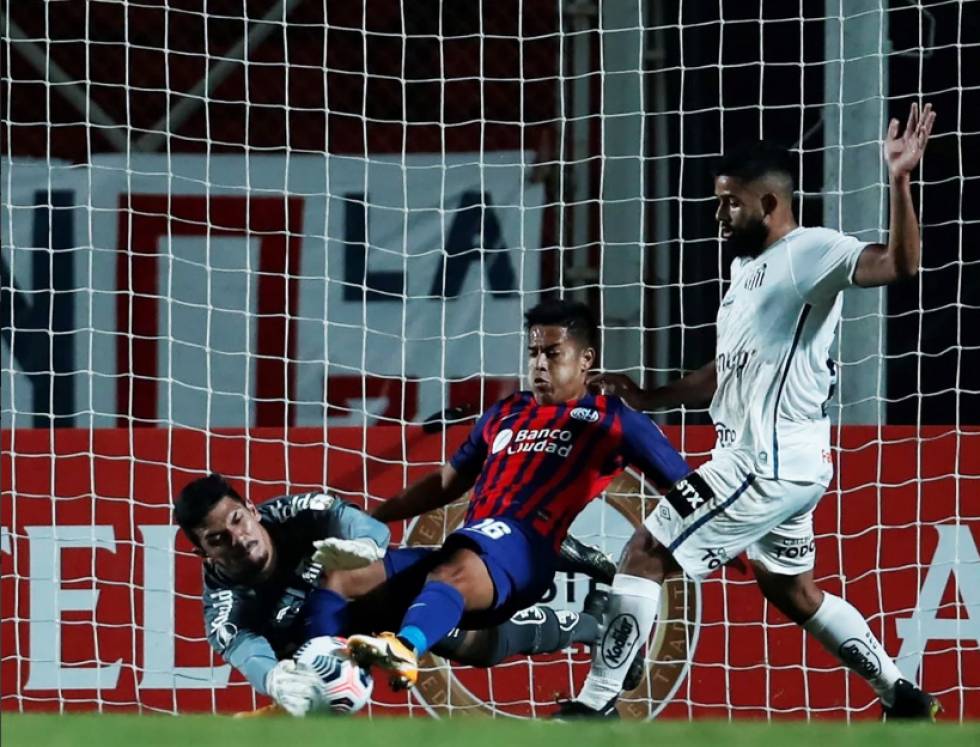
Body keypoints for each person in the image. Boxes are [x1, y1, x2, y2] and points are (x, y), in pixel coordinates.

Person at [558, 103, 940, 720]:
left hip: (762, 463)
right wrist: (648, 397)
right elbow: (724, 373)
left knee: (645, 552)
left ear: (768, 203)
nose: (718, 216)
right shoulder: (745, 271)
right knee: (792, 590)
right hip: (788, 464)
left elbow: (899, 265)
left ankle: (595, 704)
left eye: (729, 203)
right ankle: (903, 695)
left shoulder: (811, 251)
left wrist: (898, 180)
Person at [345, 299, 694, 690]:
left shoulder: (614, 418)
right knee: (466, 641)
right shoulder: (505, 411)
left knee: (443, 586)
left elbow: (686, 486)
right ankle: (590, 625)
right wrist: (376, 515)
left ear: (586, 359)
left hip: (526, 552)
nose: (539, 364)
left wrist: (711, 538)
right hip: (480, 542)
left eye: (553, 353)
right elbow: (445, 483)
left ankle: (407, 647)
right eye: (533, 353)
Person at [174, 472, 613, 716]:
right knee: (482, 648)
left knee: (351, 575)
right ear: (203, 553)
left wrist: (365, 544)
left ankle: (539, 545)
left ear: (252, 510)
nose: (238, 538)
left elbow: (363, 525)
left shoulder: (295, 514)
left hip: (386, 587)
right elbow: (249, 653)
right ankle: (592, 625)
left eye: (237, 519)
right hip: (348, 635)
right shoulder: (224, 608)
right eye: (218, 538)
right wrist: (274, 680)